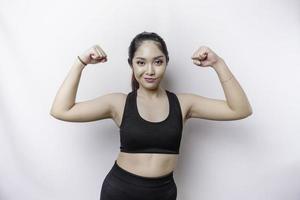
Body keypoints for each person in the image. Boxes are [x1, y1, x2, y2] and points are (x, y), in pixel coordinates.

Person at [50, 31, 253, 200]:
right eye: (141, 62)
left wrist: (218, 64)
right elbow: (61, 110)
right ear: (131, 64)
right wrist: (80, 63)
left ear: (166, 62)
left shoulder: (183, 104)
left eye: (157, 62)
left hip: (163, 194)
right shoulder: (119, 103)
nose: (150, 70)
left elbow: (240, 109)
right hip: (120, 192)